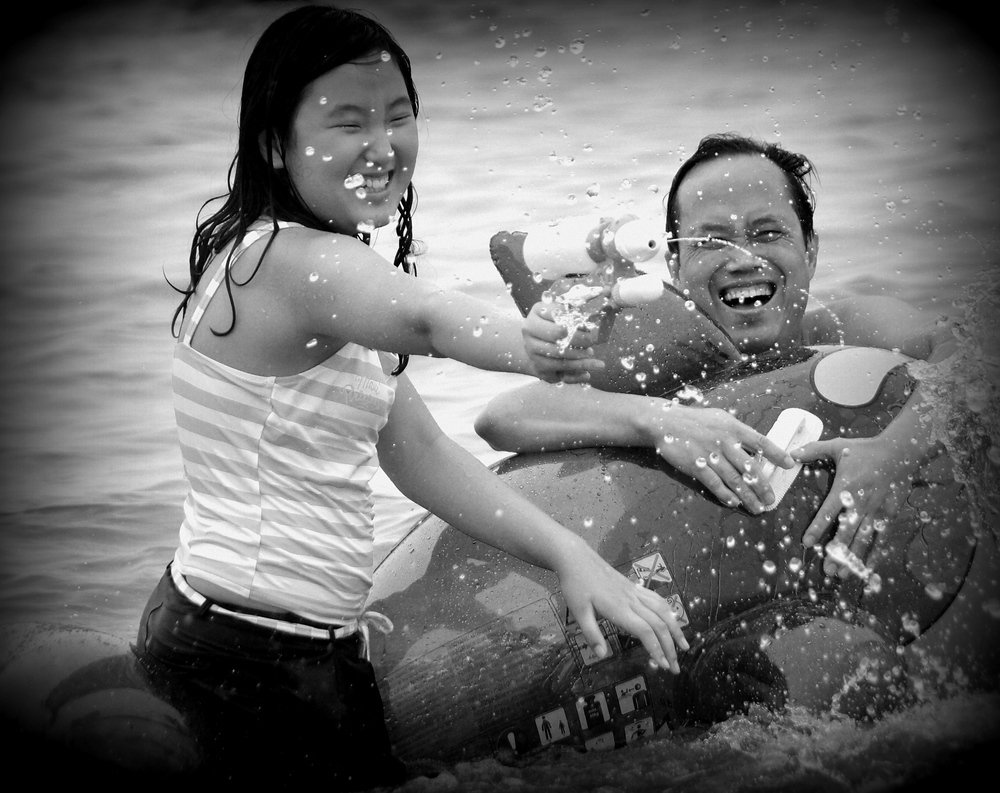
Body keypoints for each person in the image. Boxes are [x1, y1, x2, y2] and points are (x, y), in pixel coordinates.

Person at [131, 5, 687, 789]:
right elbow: (429, 316)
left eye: (399, 116)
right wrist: (531, 344)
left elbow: (420, 452)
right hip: (250, 663)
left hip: (241, 635)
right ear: (272, 143)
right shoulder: (291, 267)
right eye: (347, 121)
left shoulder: (292, 272)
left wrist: (570, 554)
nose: (382, 146)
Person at [479, 132, 957, 584]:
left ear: (810, 252)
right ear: (674, 264)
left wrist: (897, 452)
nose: (743, 258)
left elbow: (971, 358)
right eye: (710, 241)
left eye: (768, 233)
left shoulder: (848, 329)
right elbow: (501, 419)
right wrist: (658, 421)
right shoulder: (660, 368)